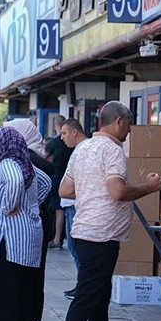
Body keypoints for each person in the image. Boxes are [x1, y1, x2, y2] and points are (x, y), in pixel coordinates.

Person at [56, 101, 161, 321]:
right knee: (86, 297)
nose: (129, 130)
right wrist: (149, 188)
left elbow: (66, 190)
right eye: (128, 124)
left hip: (83, 231)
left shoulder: (84, 149)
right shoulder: (113, 150)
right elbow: (117, 192)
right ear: (118, 122)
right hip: (101, 236)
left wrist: (92, 193)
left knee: (98, 297)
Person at [0, 126, 51, 321]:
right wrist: (30, 205)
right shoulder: (26, 164)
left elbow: (14, 182)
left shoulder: (9, 165)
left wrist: (10, 205)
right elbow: (47, 183)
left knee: (7, 293)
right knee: (23, 292)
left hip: (8, 239)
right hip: (27, 238)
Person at [4, 118, 55, 321]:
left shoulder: (26, 160)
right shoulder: (37, 159)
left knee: (20, 278)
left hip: (22, 224)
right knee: (32, 277)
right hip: (37, 222)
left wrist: (12, 204)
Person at [58, 118, 89, 299]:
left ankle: (83, 285)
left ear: (74, 132)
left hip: (75, 205)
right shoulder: (78, 150)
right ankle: (81, 283)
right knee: (73, 246)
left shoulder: (84, 150)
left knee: (76, 247)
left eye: (64, 133)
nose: (62, 138)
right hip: (71, 204)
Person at [46, 115, 73, 250]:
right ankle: (63, 237)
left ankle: (57, 238)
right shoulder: (73, 145)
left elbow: (45, 158)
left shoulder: (54, 143)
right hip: (69, 176)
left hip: (57, 176)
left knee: (58, 208)